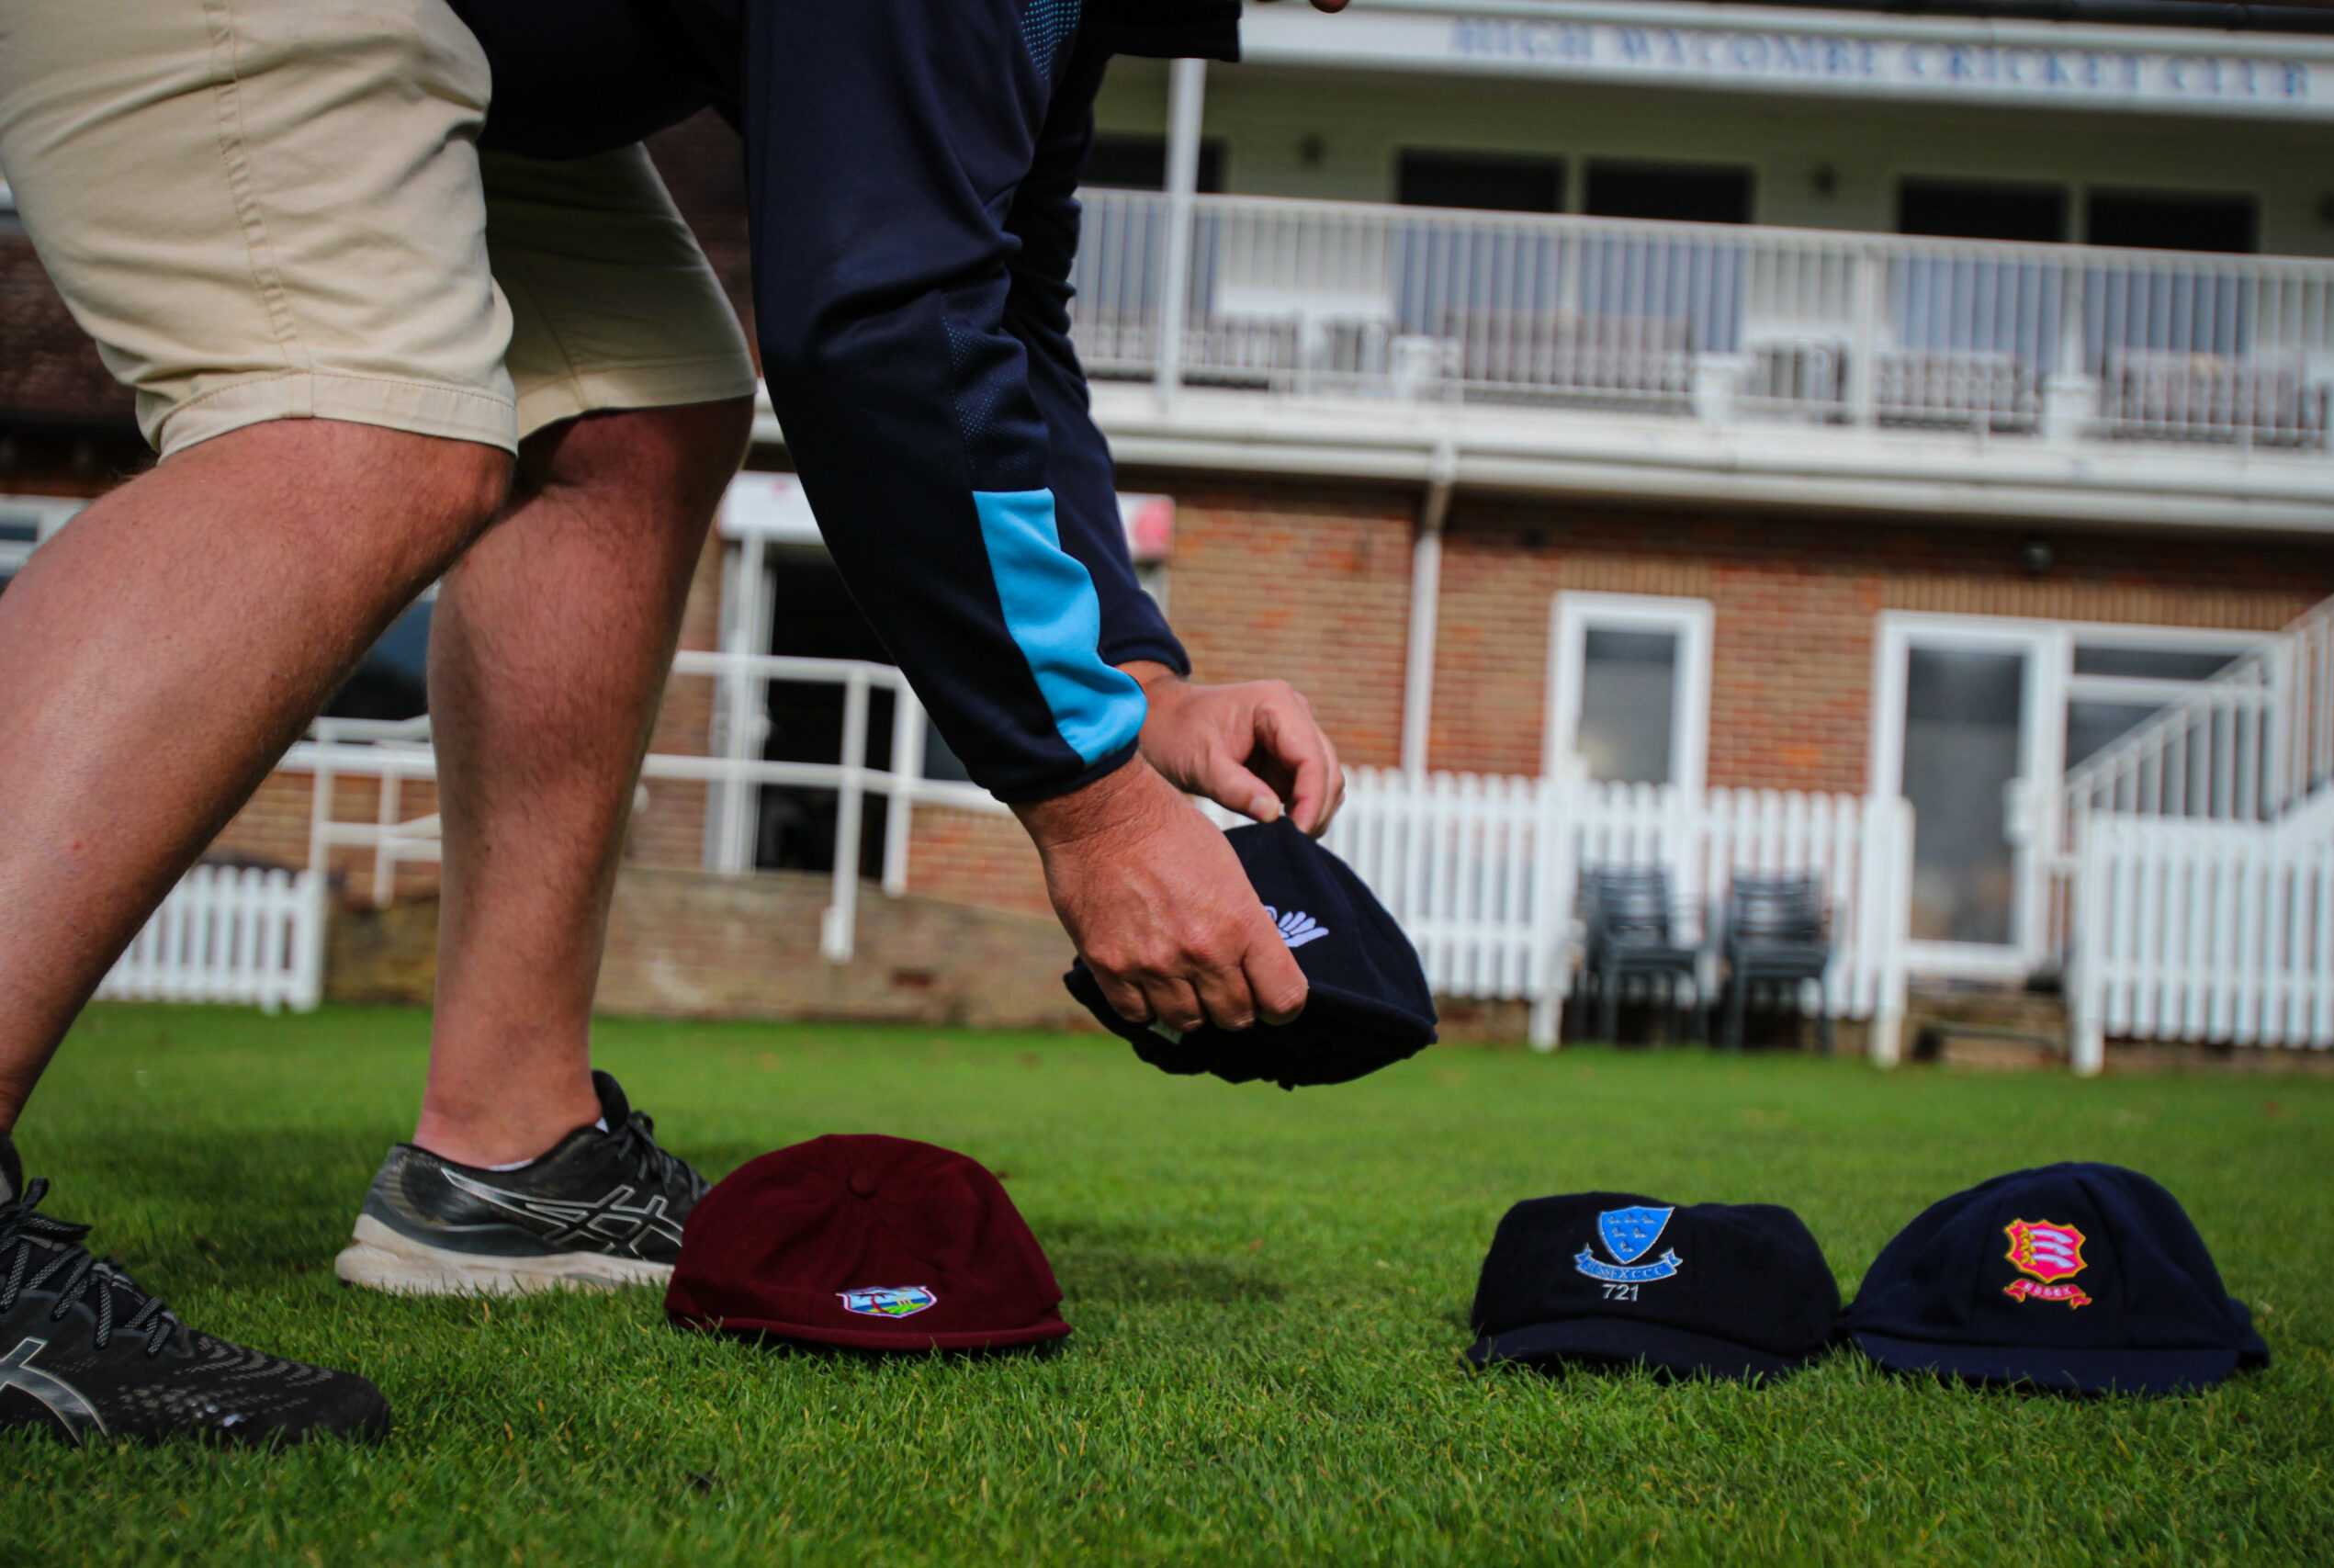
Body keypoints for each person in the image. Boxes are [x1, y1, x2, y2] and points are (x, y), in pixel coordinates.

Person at [0, 0, 1343, 1446]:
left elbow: (997, 302)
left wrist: (1137, 683)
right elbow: (880, 328)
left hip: (483, 56)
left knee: (637, 408)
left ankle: (510, 1162)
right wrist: (1089, 805)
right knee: (372, 438)